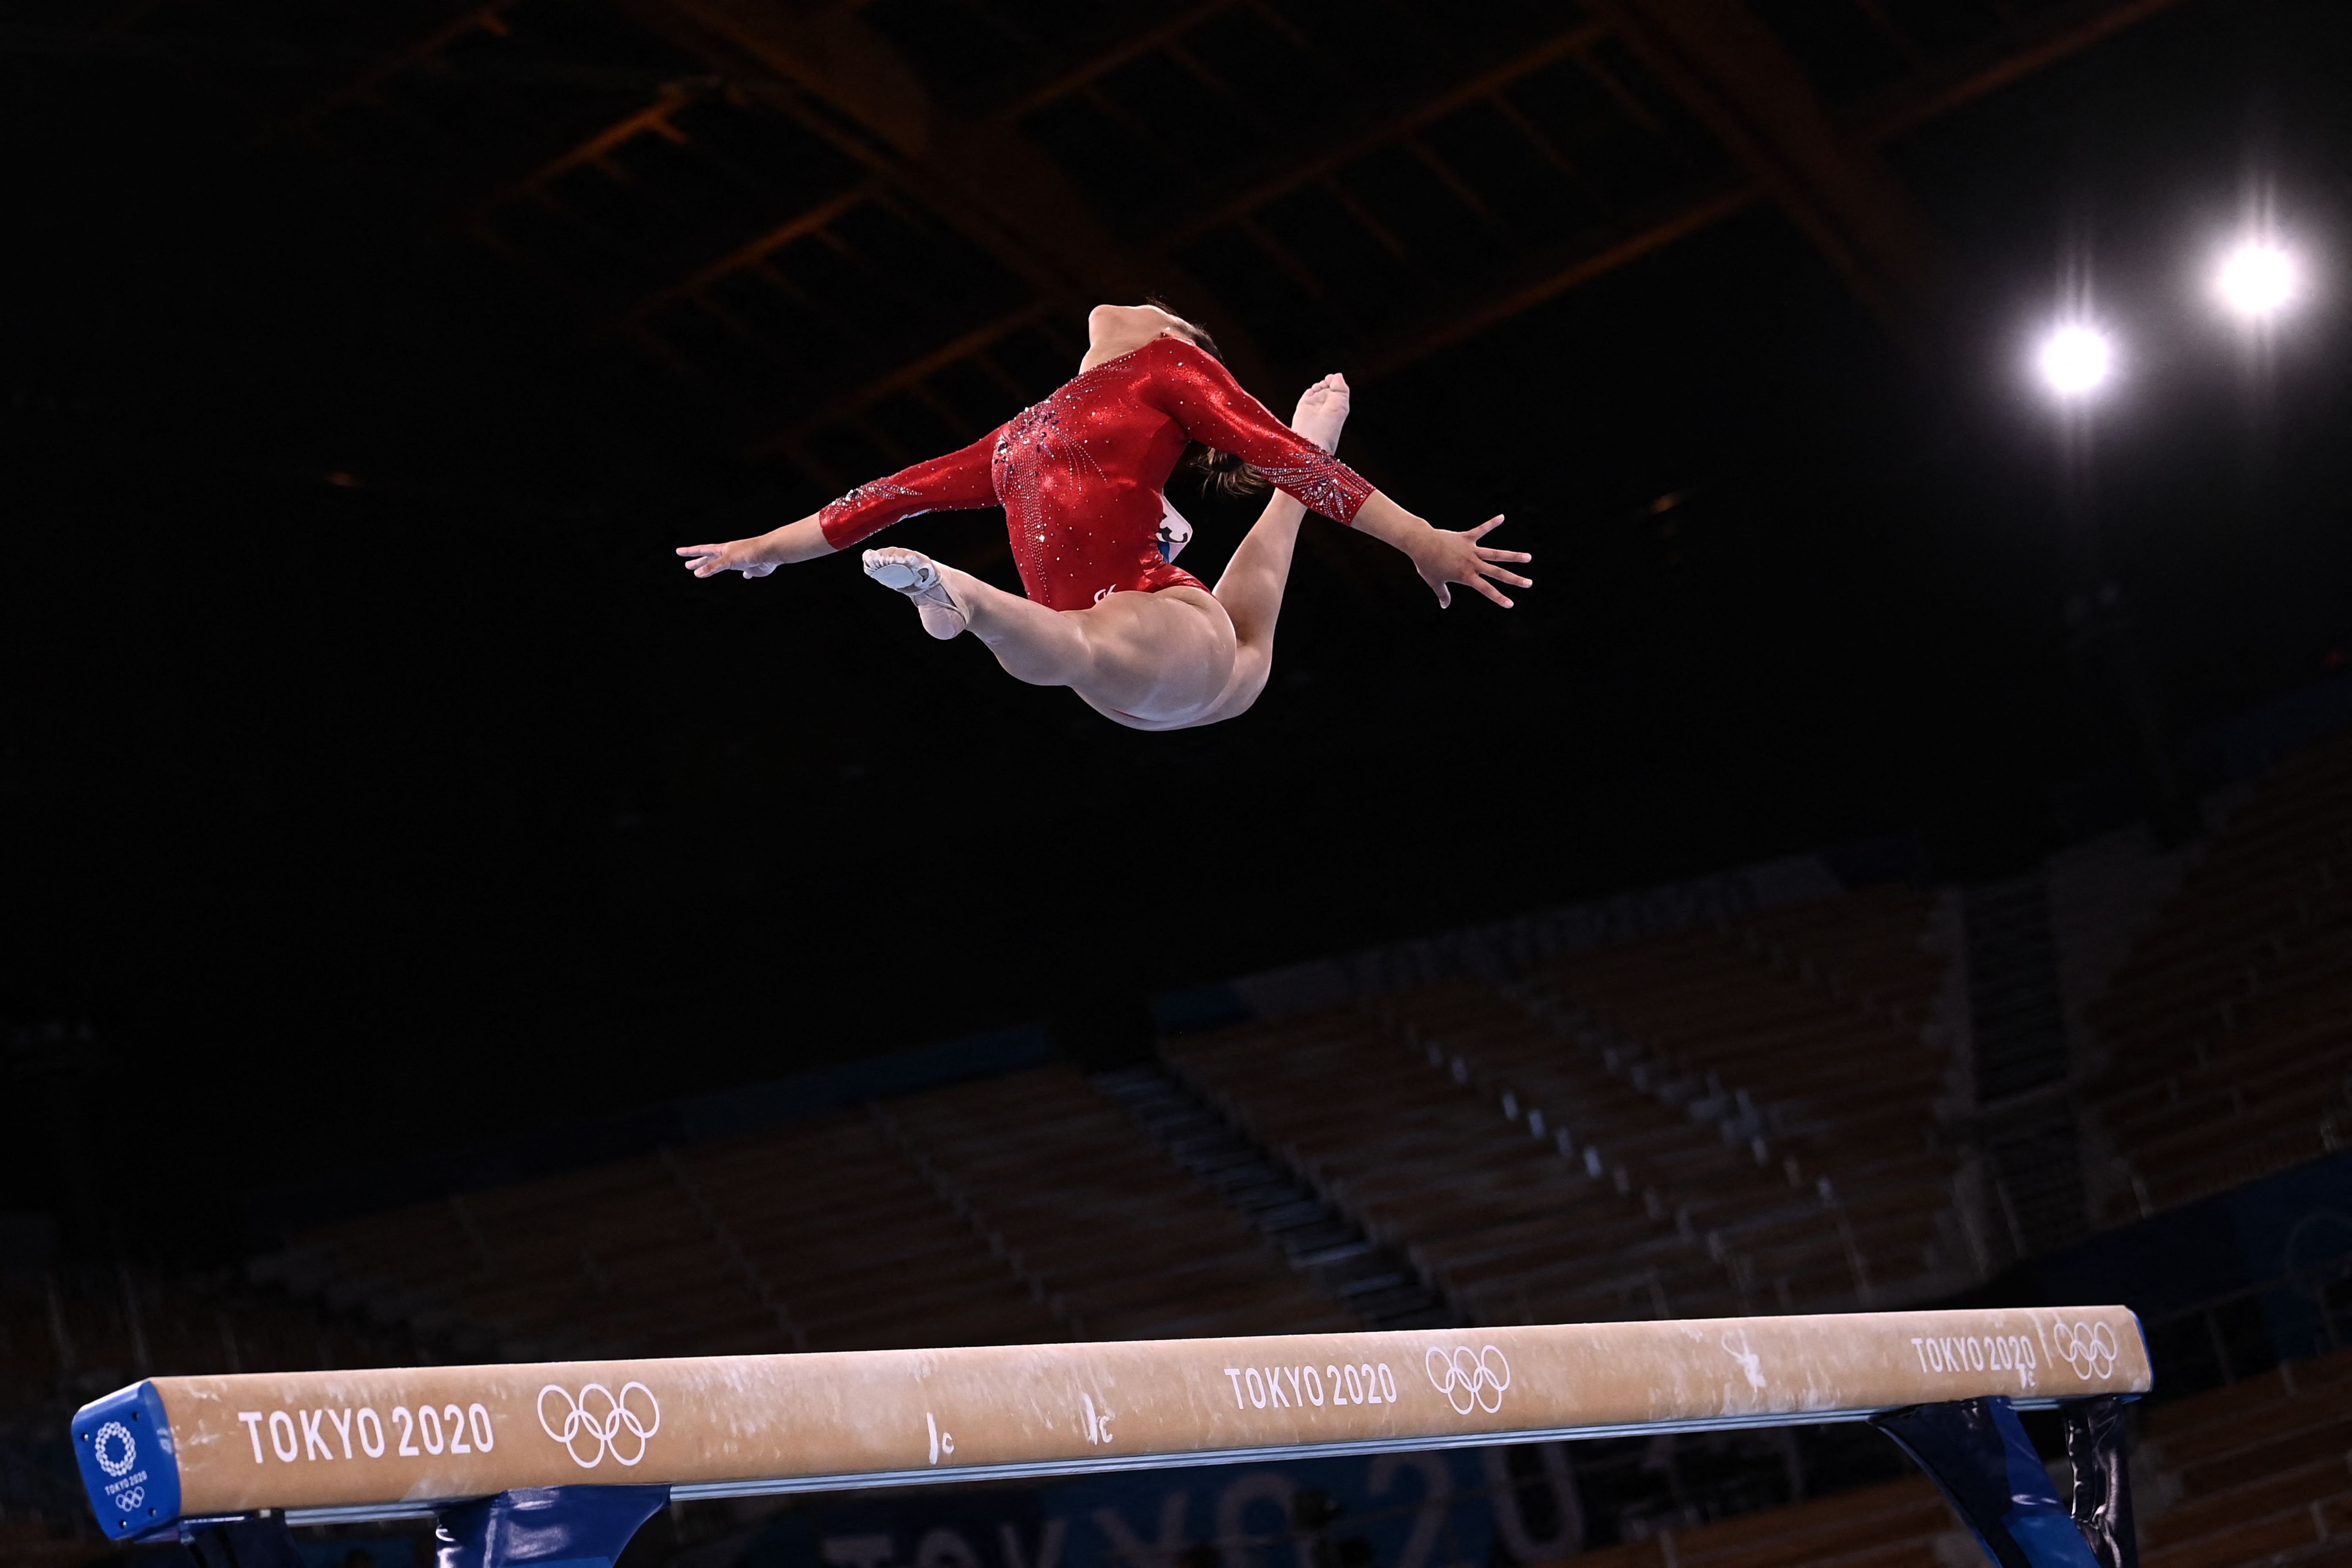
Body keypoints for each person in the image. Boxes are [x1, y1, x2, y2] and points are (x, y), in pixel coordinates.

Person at [675, 303, 1530, 731]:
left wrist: (1425, 540)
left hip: (1149, 630)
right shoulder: (1018, 436)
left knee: (1103, 639)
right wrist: (769, 547)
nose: (1141, 304)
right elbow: (878, 499)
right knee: (1237, 633)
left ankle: (963, 600)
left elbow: (1290, 463)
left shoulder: (1169, 366)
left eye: (1171, 312)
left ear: (1187, 341)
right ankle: (964, 604)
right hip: (1145, 666)